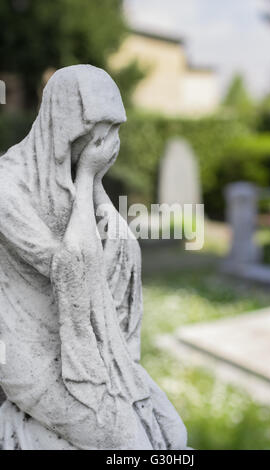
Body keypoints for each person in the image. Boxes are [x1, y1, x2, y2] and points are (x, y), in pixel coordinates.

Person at [0, 65, 188, 450]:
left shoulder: (72, 177)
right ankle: (16, 428)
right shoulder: (7, 186)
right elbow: (70, 269)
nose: (111, 146)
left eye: (118, 131)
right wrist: (87, 179)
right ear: (69, 126)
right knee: (126, 441)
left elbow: (119, 259)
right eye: (104, 132)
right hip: (31, 353)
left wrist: (96, 189)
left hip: (96, 348)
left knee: (171, 432)